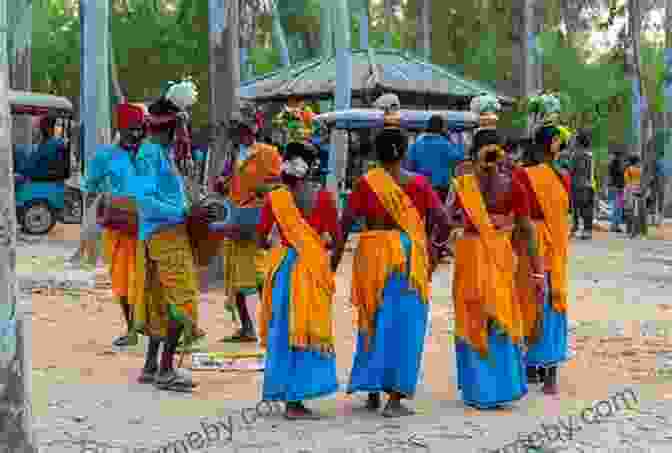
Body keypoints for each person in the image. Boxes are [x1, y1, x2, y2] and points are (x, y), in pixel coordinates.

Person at [331, 126, 450, 418]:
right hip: (407, 257)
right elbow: (443, 222)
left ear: (375, 153)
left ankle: (372, 391)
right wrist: (432, 253)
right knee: (405, 326)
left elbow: (344, 225)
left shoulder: (365, 183)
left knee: (372, 318)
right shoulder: (420, 184)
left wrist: (331, 265)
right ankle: (394, 400)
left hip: (372, 254)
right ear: (405, 152)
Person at [446, 100, 543, 409]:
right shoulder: (511, 184)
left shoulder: (463, 183)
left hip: (473, 254)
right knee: (497, 315)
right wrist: (538, 270)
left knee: (474, 315)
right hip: (498, 255)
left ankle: (479, 390)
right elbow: (527, 229)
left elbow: (447, 218)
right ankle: (501, 387)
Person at [130, 80, 216, 390]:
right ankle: (166, 369)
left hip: (163, 235)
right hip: (164, 235)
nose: (183, 136)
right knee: (183, 300)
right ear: (169, 127)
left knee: (162, 301)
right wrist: (184, 214)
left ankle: (152, 365)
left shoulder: (156, 153)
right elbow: (145, 202)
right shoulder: (150, 155)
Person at [256, 142, 341, 420]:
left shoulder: (274, 198)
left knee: (283, 329)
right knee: (306, 327)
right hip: (311, 268)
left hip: (283, 269)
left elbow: (262, 239)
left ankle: (282, 392)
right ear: (312, 166)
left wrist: (283, 242)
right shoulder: (324, 197)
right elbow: (335, 238)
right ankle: (296, 401)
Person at [216, 101, 282, 343]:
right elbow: (223, 184)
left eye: (243, 128)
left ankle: (273, 324)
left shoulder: (268, 153)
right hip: (235, 220)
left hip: (258, 221)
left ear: (253, 129)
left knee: (260, 276)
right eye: (236, 130)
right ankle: (247, 328)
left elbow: (279, 184)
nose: (239, 134)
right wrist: (221, 184)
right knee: (235, 278)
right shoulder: (231, 155)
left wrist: (261, 190)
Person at [82, 103, 147, 347]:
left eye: (141, 129)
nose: (137, 134)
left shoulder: (151, 154)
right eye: (132, 129)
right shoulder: (104, 156)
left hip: (149, 226)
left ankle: (154, 328)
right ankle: (131, 330)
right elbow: (90, 188)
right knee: (122, 280)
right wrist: (103, 206)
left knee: (149, 280)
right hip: (118, 228)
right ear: (120, 128)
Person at [516, 123, 571, 395]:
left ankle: (529, 367)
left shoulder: (522, 176)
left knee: (528, 302)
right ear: (553, 145)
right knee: (551, 304)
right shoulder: (563, 177)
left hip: (528, 245)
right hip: (554, 245)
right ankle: (550, 375)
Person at [404, 115, 464, 203]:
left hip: (421, 186)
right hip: (441, 187)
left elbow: (409, 164)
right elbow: (458, 158)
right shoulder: (445, 144)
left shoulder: (417, 144)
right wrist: (450, 139)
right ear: (442, 127)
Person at [570, 130, 595, 239]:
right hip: (589, 184)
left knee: (576, 207)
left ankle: (575, 228)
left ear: (578, 142)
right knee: (587, 208)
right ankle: (587, 230)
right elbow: (591, 171)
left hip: (577, 184)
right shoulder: (590, 155)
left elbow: (572, 169)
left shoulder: (576, 155)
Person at [623, 154, 643, 236]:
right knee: (635, 212)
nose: (640, 163)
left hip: (630, 192)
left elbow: (626, 181)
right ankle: (635, 230)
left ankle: (629, 229)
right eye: (639, 162)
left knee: (630, 211)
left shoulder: (628, 170)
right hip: (636, 192)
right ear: (636, 162)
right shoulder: (640, 170)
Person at [608, 152, 625, 233]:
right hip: (618, 187)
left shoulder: (613, 164)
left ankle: (615, 225)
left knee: (616, 207)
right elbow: (619, 176)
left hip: (616, 187)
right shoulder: (616, 165)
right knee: (617, 207)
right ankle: (615, 225)